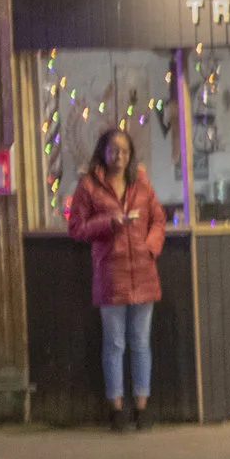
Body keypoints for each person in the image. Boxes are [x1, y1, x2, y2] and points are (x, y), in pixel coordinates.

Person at [65, 127, 169, 430]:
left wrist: (150, 246)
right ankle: (117, 409)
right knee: (115, 344)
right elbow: (77, 228)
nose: (119, 157)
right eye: (114, 151)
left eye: (124, 151)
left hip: (143, 274)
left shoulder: (142, 184)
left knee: (140, 343)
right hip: (111, 274)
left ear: (130, 154)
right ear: (103, 152)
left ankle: (142, 406)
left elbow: (158, 219)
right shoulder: (89, 186)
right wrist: (110, 222)